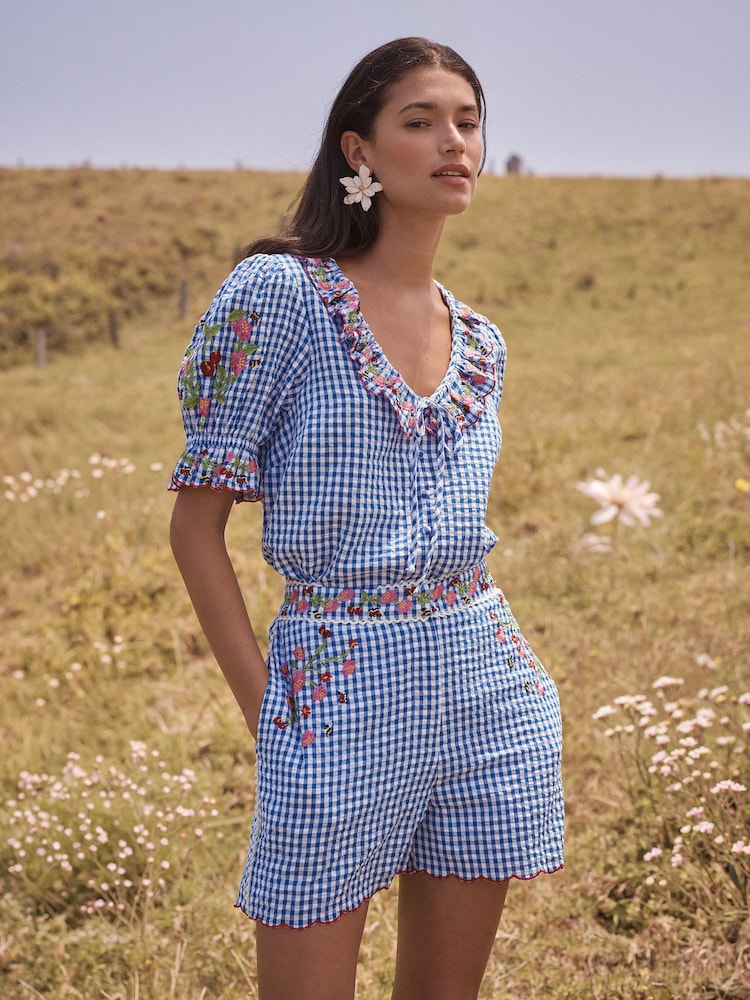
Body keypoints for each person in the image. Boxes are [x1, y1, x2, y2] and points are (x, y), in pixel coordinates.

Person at [169, 36, 563, 1000]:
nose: (453, 143)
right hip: (335, 689)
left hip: (484, 683)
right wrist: (274, 715)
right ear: (359, 152)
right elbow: (194, 526)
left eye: (467, 123)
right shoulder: (281, 296)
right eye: (419, 122)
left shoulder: (483, 341)